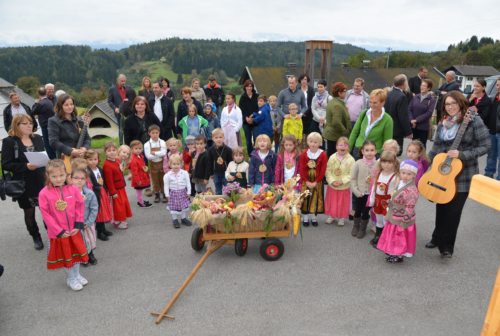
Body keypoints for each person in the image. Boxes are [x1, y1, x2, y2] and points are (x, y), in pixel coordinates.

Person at [426, 91, 490, 258]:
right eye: (447, 104)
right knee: (441, 207)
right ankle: (437, 237)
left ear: (461, 103)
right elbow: (436, 149)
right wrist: (425, 168)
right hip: (443, 174)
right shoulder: (443, 124)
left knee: (453, 212)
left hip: (464, 176)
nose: (450, 107)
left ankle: (447, 246)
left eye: (453, 103)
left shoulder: (473, 120)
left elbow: (485, 145)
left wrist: (462, 155)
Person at [38, 159, 88, 291]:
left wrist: (78, 224)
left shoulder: (73, 189)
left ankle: (77, 274)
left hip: (74, 230)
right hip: (59, 233)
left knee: (76, 254)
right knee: (66, 257)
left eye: (61, 175)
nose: (58, 179)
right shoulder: (44, 193)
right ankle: (70, 278)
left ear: (67, 175)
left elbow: (79, 205)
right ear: (48, 176)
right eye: (54, 176)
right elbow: (46, 215)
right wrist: (58, 230)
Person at [1, 114, 46, 250]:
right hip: (24, 183)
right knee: (29, 212)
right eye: (25, 123)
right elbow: (6, 164)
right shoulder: (10, 142)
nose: (29, 125)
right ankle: (35, 236)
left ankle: (52, 233)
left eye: (30, 123)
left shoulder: (37, 138)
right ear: (17, 125)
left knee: (47, 210)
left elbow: (43, 156)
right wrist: (25, 166)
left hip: (41, 179)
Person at [377, 160, 420, 263]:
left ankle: (399, 254)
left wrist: (404, 221)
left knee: (399, 236)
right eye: (403, 173)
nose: (405, 176)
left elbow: (409, 207)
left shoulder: (412, 190)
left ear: (414, 175)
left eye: (409, 174)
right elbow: (395, 194)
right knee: (393, 234)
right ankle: (392, 250)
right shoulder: (401, 183)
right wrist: (390, 200)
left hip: (401, 218)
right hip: (395, 214)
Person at [349, 89, 394, 159]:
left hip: (374, 155)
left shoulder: (388, 120)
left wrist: (382, 158)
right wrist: (348, 149)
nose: (372, 105)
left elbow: (387, 142)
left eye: (375, 103)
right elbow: (354, 132)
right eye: (370, 102)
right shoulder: (363, 114)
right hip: (358, 151)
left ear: (383, 103)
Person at [48, 94, 91, 164]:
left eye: (71, 104)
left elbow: (87, 138)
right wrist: (70, 151)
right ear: (60, 106)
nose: (70, 107)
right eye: (66, 105)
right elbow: (53, 142)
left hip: (81, 157)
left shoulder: (79, 120)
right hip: (65, 158)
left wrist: (85, 148)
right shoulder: (53, 121)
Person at [368, 151, 399, 247]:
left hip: (388, 202)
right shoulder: (379, 174)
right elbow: (374, 187)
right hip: (378, 201)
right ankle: (378, 235)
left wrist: (392, 202)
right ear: (380, 162)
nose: (386, 165)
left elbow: (397, 190)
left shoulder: (395, 176)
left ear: (394, 163)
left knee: (387, 221)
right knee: (379, 219)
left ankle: (386, 238)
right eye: (384, 162)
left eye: (390, 162)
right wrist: (372, 199)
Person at [70, 168, 98, 266]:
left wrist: (89, 222)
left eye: (82, 178)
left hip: (86, 223)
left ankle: (90, 254)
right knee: (79, 242)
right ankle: (82, 256)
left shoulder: (89, 193)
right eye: (76, 178)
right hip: (74, 225)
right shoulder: (67, 195)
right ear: (70, 179)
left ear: (86, 179)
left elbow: (94, 208)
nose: (79, 180)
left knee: (88, 240)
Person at [325, 137, 355, 226]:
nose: (343, 147)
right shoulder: (332, 157)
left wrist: (342, 181)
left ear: (348, 148)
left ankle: (341, 218)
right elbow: (328, 171)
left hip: (344, 186)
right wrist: (332, 181)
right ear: (336, 147)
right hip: (333, 185)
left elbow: (351, 174)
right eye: (340, 145)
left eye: (345, 145)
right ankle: (331, 216)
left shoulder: (351, 159)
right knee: (332, 201)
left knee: (343, 202)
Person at [103, 141, 133, 230]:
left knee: (122, 204)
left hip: (121, 187)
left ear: (117, 151)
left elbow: (122, 168)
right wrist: (113, 192)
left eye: (113, 150)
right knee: (118, 206)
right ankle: (120, 221)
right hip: (116, 190)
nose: (112, 152)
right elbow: (109, 181)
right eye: (109, 150)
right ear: (105, 152)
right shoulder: (107, 165)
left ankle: (118, 220)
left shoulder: (116, 161)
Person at [299, 132, 327, 227]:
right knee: (306, 198)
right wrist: (306, 181)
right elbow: (302, 168)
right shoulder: (304, 154)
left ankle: (313, 217)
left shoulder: (323, 155)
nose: (313, 144)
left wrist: (317, 181)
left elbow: (323, 169)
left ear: (320, 143)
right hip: (306, 181)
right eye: (311, 141)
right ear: (308, 142)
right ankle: (305, 217)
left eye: (316, 142)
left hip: (317, 182)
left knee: (315, 198)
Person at [85, 150, 113, 241]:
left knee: (103, 211)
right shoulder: (87, 172)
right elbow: (89, 185)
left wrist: (106, 189)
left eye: (95, 159)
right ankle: (99, 232)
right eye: (90, 159)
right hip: (95, 194)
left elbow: (103, 180)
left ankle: (103, 229)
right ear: (86, 160)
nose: (93, 161)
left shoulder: (99, 169)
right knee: (98, 212)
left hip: (102, 192)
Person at [350, 140, 377, 238]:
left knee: (366, 211)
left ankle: (362, 228)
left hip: (371, 194)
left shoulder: (378, 164)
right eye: (367, 150)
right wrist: (356, 191)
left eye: (372, 150)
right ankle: (356, 225)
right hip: (359, 193)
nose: (369, 152)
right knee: (357, 210)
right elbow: (352, 179)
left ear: (376, 151)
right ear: (362, 151)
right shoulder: (358, 163)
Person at [385, 74, 413, 155]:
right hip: (397, 131)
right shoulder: (402, 96)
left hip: (388, 128)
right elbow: (403, 116)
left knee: (388, 152)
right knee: (396, 152)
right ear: (404, 83)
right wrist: (408, 132)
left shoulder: (389, 93)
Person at [163, 153, 192, 229]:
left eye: (178, 164)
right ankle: (175, 219)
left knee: (183, 206)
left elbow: (188, 183)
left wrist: (189, 192)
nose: (176, 166)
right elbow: (166, 186)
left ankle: (183, 218)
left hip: (183, 192)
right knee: (174, 207)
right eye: (174, 164)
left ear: (181, 164)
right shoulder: (167, 175)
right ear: (170, 164)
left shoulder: (184, 173)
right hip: (173, 193)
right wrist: (167, 195)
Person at [107, 74, 136, 145]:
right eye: (122, 81)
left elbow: (133, 98)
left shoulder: (128, 88)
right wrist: (115, 108)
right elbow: (109, 101)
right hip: (119, 112)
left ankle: (130, 143)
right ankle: (121, 145)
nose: (123, 83)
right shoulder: (112, 89)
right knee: (121, 129)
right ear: (118, 80)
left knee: (130, 127)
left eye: (124, 81)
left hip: (129, 111)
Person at [324, 82, 351, 157]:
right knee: (334, 156)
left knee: (331, 155)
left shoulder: (333, 102)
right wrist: (345, 131)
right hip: (335, 136)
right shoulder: (337, 105)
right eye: (344, 91)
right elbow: (336, 122)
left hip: (332, 135)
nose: (346, 93)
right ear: (339, 93)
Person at [408, 78, 436, 148]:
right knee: (414, 145)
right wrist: (411, 120)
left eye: (424, 86)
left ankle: (422, 159)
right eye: (421, 85)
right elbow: (409, 109)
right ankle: (413, 159)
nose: (422, 87)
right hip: (413, 126)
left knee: (422, 146)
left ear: (429, 88)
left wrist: (416, 120)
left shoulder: (431, 100)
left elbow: (429, 113)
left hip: (423, 127)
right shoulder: (415, 97)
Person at [144, 125, 167, 203]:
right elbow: (149, 157)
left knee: (163, 179)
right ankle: (157, 194)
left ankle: (164, 193)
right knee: (155, 180)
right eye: (152, 133)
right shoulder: (147, 144)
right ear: (149, 133)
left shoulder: (162, 142)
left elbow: (164, 153)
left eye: (156, 133)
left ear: (159, 133)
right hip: (153, 165)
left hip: (162, 164)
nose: (155, 135)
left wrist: (154, 153)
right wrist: (159, 153)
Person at [32, 86, 56, 159]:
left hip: (45, 126)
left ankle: (51, 158)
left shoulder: (40, 103)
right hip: (52, 125)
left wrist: (36, 103)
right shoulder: (49, 101)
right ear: (46, 93)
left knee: (47, 144)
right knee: (52, 142)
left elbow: (33, 112)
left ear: (38, 94)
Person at [208, 129, 233, 195]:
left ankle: (229, 203)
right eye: (216, 138)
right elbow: (209, 162)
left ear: (223, 138)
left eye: (220, 137)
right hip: (216, 173)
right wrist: (211, 173)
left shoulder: (228, 150)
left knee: (228, 190)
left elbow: (231, 162)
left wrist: (231, 173)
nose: (218, 139)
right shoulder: (211, 150)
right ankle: (219, 203)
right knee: (218, 190)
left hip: (226, 173)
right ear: (213, 139)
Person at [129, 140, 153, 208]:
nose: (138, 150)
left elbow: (142, 165)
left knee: (140, 190)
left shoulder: (140, 156)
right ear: (132, 149)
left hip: (142, 176)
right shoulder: (133, 159)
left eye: (140, 148)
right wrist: (137, 180)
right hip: (138, 178)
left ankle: (141, 200)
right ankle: (141, 202)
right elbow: (134, 172)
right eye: (136, 148)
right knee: (139, 191)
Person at [484, 78, 500, 179]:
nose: (497, 87)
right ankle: (488, 175)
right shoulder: (493, 98)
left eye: (499, 85)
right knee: (491, 155)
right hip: (492, 132)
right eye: (497, 85)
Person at [239, 79, 259, 154]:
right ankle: (250, 154)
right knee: (248, 140)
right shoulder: (242, 98)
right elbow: (241, 110)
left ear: (252, 87)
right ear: (245, 87)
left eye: (251, 86)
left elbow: (259, 109)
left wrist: (253, 117)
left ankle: (256, 153)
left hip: (255, 121)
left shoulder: (257, 96)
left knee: (256, 138)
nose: (249, 88)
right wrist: (246, 118)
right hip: (246, 122)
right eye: (248, 86)